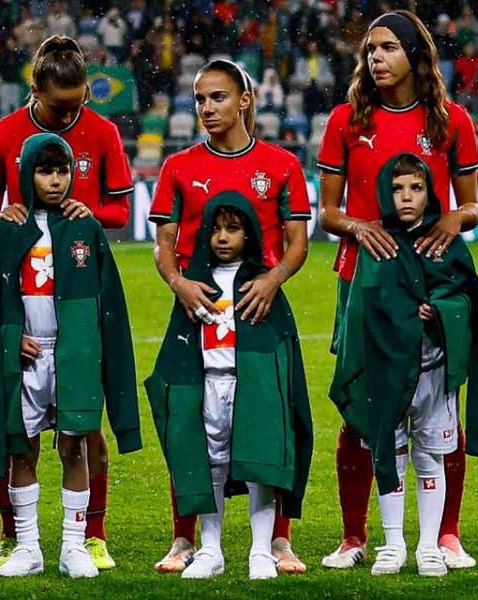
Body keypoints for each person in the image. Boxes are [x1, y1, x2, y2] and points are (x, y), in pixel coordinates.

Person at [317, 10, 478, 571]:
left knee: (441, 404)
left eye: (387, 48)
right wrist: (359, 227)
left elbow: (472, 206)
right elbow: (327, 211)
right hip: (361, 278)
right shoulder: (345, 119)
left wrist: (452, 222)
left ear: (415, 55)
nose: (376, 59)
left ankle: (448, 534)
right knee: (363, 403)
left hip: (430, 278)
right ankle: (353, 536)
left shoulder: (450, 120)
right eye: (370, 50)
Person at [0, 34, 133, 572]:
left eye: (80, 101)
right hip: (26, 296)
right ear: (34, 90)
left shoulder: (103, 131)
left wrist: (78, 213)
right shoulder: (5, 132)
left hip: (77, 283)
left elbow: (117, 212)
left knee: (85, 430)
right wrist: (9, 218)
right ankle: (14, 538)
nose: (72, 113)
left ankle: (92, 535)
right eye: (61, 105)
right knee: (16, 433)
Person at [148, 58, 310, 575]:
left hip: (259, 311)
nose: (206, 108)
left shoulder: (281, 164)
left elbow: (298, 242)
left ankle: (277, 541)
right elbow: (164, 244)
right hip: (197, 312)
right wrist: (177, 283)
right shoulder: (179, 166)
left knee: (269, 424)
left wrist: (272, 278)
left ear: (244, 100)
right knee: (189, 422)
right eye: (199, 99)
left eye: (217, 97)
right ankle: (185, 539)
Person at [330, 153, 478, 577]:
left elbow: (465, 300)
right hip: (386, 375)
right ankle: (392, 544)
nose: (406, 197)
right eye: (398, 188)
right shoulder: (376, 243)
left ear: (430, 192)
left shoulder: (446, 243)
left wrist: (439, 311)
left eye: (416, 188)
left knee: (430, 458)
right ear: (386, 191)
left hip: (433, 374)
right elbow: (360, 311)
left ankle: (427, 545)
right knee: (389, 452)